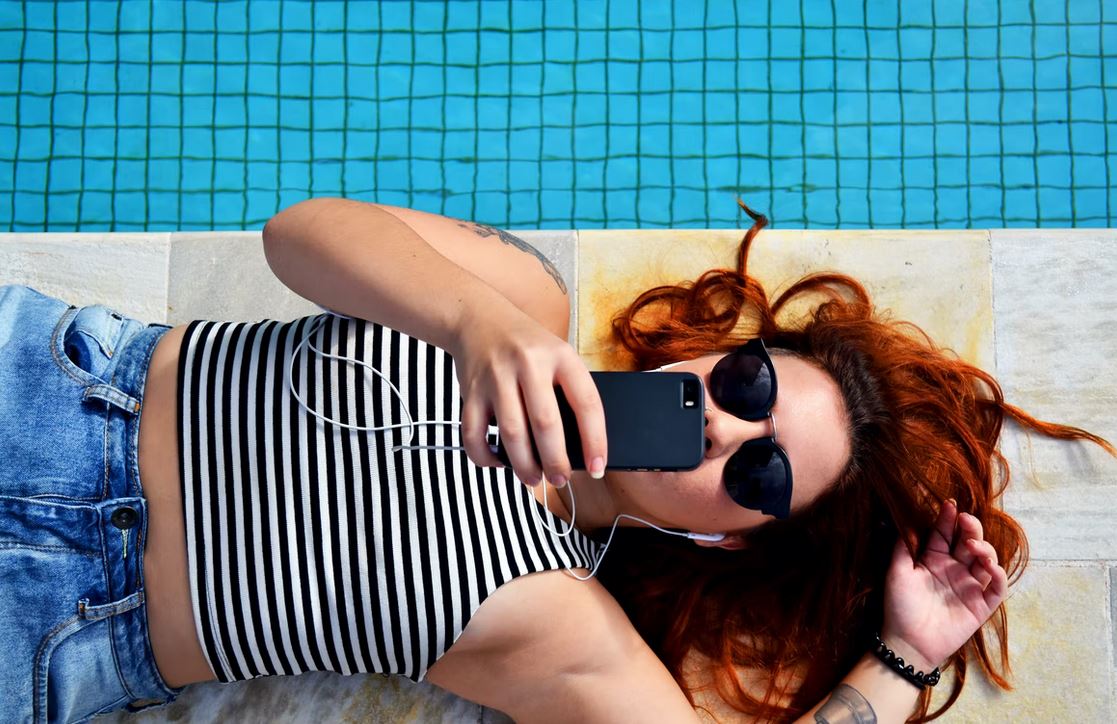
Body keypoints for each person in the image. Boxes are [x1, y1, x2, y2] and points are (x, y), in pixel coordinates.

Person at [1, 198, 1110, 724]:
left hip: (59, 618)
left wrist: (902, 657)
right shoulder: (520, 297)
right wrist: (479, 326)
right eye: (752, 385)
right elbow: (299, 236)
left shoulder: (563, 621)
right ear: (726, 349)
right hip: (52, 386)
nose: (727, 427)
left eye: (761, 474)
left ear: (727, 532)